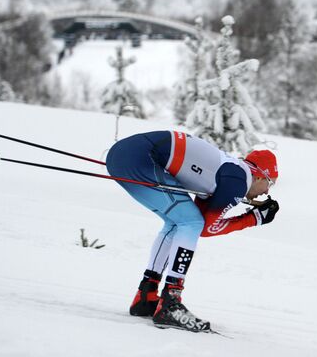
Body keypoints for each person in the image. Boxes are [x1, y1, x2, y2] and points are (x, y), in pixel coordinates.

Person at [105, 130, 280, 332]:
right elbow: (206, 228)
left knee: (179, 221)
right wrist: (254, 218)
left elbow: (203, 224)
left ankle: (146, 295)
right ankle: (170, 302)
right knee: (190, 223)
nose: (267, 191)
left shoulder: (233, 172)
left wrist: (251, 218)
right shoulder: (237, 181)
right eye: (270, 183)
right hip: (139, 157)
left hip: (129, 154)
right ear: (259, 176)